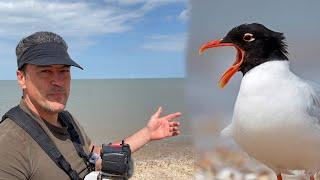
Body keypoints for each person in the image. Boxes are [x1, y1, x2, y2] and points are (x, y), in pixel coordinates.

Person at [0, 32, 181, 180]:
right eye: (45, 71)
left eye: (63, 71)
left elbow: (93, 155)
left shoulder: (67, 120)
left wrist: (147, 134)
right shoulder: (9, 143)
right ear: (21, 78)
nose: (57, 81)